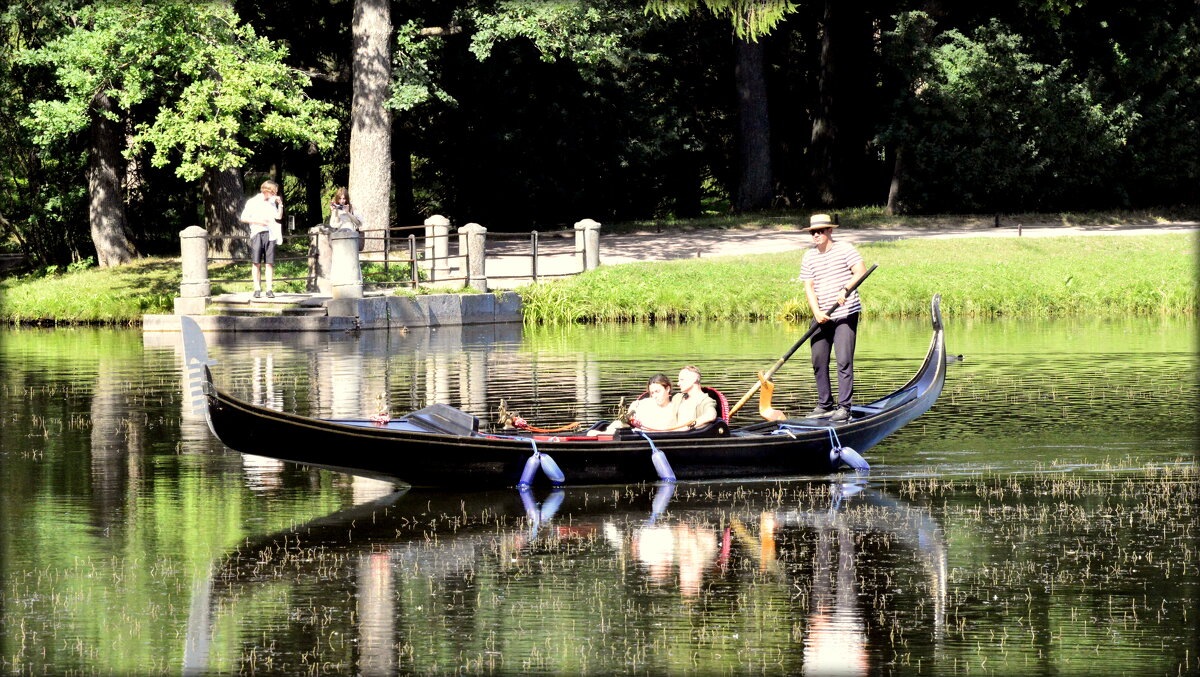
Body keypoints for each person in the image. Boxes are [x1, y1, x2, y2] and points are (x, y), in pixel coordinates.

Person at [799, 213, 867, 422]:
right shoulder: (809, 256)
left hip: (845, 314)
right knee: (819, 360)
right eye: (813, 232)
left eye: (820, 231)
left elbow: (861, 272)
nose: (816, 235)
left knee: (844, 361)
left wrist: (845, 289)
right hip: (821, 316)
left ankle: (844, 407)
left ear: (830, 231)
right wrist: (816, 312)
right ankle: (824, 404)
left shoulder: (845, 249)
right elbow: (809, 287)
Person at [239, 180, 284, 298]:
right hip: (257, 233)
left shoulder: (272, 202)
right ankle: (257, 288)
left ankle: (269, 289)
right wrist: (259, 222)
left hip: (271, 234)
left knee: (269, 263)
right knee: (256, 263)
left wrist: (280, 205)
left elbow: (278, 217)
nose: (275, 194)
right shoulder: (253, 202)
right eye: (274, 192)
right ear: (267, 190)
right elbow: (243, 218)